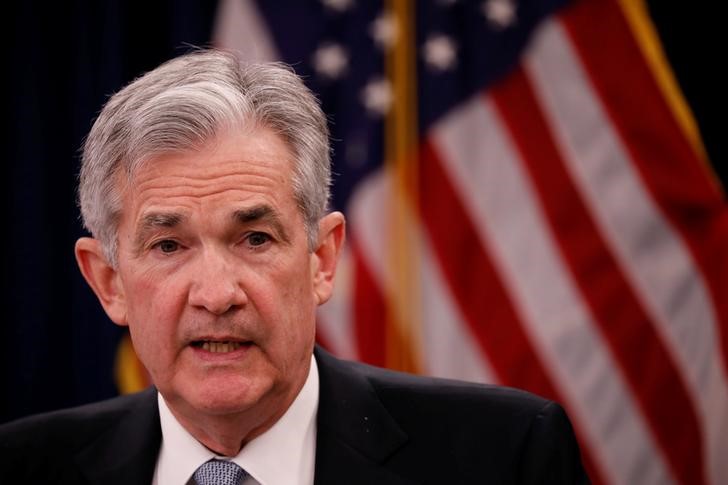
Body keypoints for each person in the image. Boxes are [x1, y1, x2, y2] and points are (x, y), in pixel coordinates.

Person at [0, 49, 589, 484]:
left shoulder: (505, 457)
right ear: (108, 281)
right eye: (168, 246)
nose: (215, 294)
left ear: (322, 259)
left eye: (254, 238)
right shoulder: (23, 465)